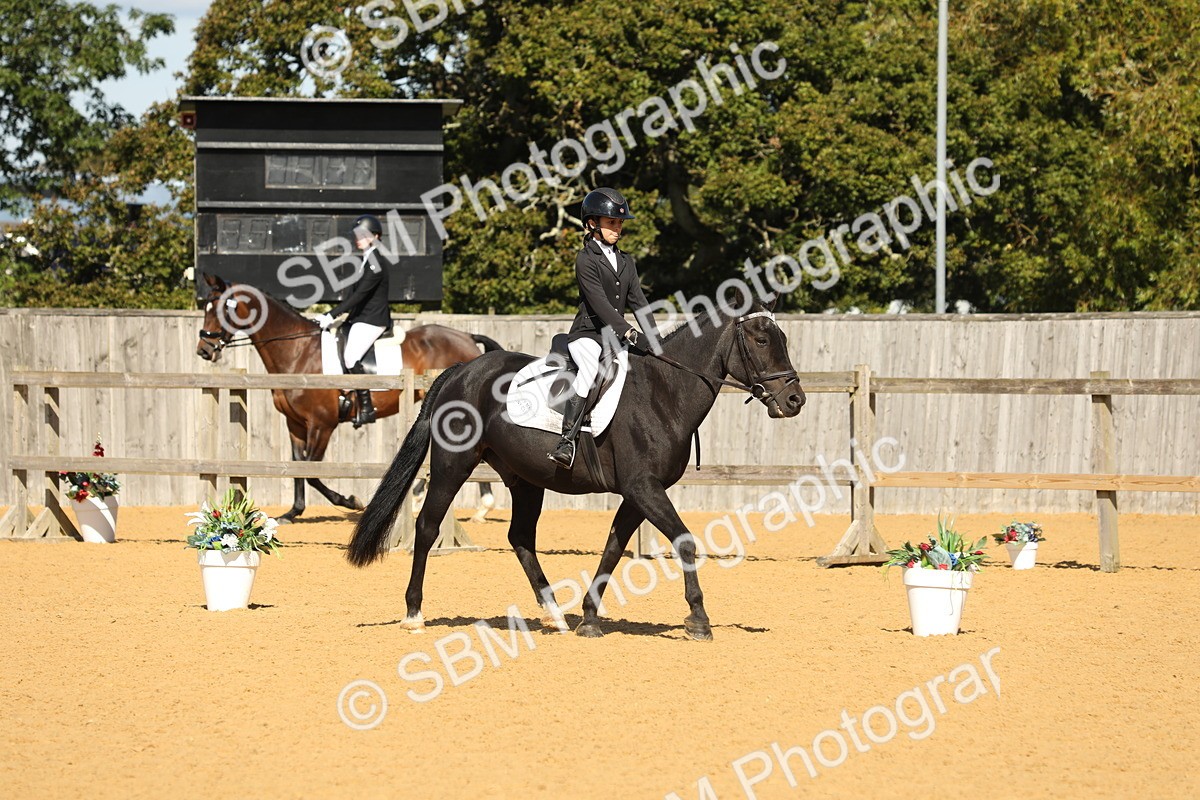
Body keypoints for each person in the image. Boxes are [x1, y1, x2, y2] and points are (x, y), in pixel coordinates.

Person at [548, 187, 657, 468]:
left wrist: (655, 338)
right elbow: (599, 304)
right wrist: (630, 332)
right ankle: (566, 441)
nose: (618, 228)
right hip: (587, 334)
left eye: (620, 223)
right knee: (589, 371)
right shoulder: (585, 259)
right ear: (592, 223)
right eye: (612, 222)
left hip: (614, 336)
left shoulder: (626, 260)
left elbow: (639, 301)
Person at [315, 213, 390, 428]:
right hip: (360, 318)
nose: (358, 238)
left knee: (350, 357)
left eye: (363, 235)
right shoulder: (366, 259)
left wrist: (331, 314)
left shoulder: (376, 262)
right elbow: (352, 296)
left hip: (372, 319)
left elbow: (359, 296)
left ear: (375, 236)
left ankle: (366, 408)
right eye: (357, 235)